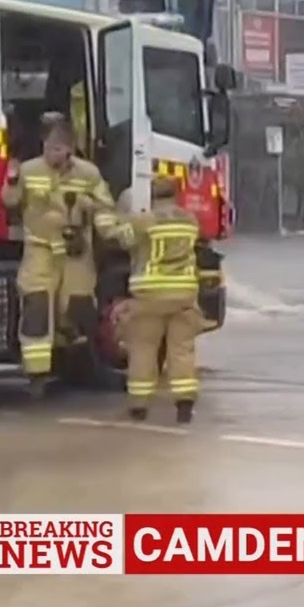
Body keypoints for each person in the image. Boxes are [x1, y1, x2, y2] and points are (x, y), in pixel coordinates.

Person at [1, 113, 119, 396]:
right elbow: (9, 202)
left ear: (70, 148)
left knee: (79, 310)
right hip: (40, 249)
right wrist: (12, 180)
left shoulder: (87, 173)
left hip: (75, 252)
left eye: (57, 149)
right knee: (37, 308)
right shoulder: (29, 171)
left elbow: (106, 207)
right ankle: (37, 377)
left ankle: (83, 368)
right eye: (47, 148)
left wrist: (100, 222)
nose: (51, 154)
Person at [114, 176, 204, 423]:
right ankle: (184, 405)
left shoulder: (145, 220)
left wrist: (122, 216)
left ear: (151, 197)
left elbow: (123, 239)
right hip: (184, 294)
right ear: (175, 195)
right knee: (182, 350)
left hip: (150, 294)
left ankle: (139, 407)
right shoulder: (190, 220)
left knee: (143, 348)